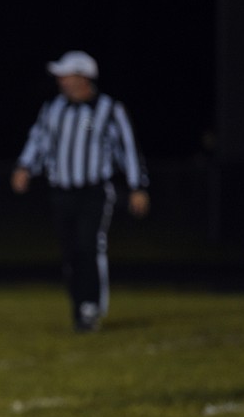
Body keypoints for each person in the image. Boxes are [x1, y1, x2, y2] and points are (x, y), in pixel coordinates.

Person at [10, 50, 150, 332]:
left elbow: (128, 149)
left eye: (67, 75)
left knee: (90, 246)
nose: (61, 80)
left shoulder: (109, 109)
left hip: (94, 191)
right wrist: (25, 167)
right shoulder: (53, 108)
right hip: (61, 190)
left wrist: (138, 186)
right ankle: (79, 306)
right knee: (70, 252)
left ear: (83, 77)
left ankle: (91, 305)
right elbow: (38, 140)